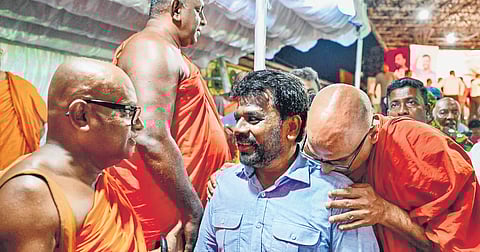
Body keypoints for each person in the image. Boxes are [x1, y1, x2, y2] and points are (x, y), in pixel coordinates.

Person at [0, 58, 184, 251]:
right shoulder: (29, 195)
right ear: (82, 115)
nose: (139, 125)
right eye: (127, 112)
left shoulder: (96, 178)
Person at [195, 70, 380, 251]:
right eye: (238, 119)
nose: (238, 129)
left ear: (292, 127)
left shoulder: (339, 198)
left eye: (253, 119)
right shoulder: (224, 185)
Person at [108, 0, 232, 249]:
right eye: (199, 11)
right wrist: (193, 210)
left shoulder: (168, 52)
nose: (204, 21)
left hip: (174, 209)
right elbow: (149, 135)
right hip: (160, 213)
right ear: (176, 8)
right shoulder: (151, 48)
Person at [304, 84, 480, 251]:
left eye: (339, 161)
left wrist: (385, 212)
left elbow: (454, 244)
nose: (325, 170)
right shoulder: (316, 154)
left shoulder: (422, 149)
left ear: (373, 134)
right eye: (315, 156)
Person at [0, 48, 47, 169]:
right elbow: (39, 131)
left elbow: (38, 129)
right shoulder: (24, 88)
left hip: (13, 173)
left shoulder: (22, 89)